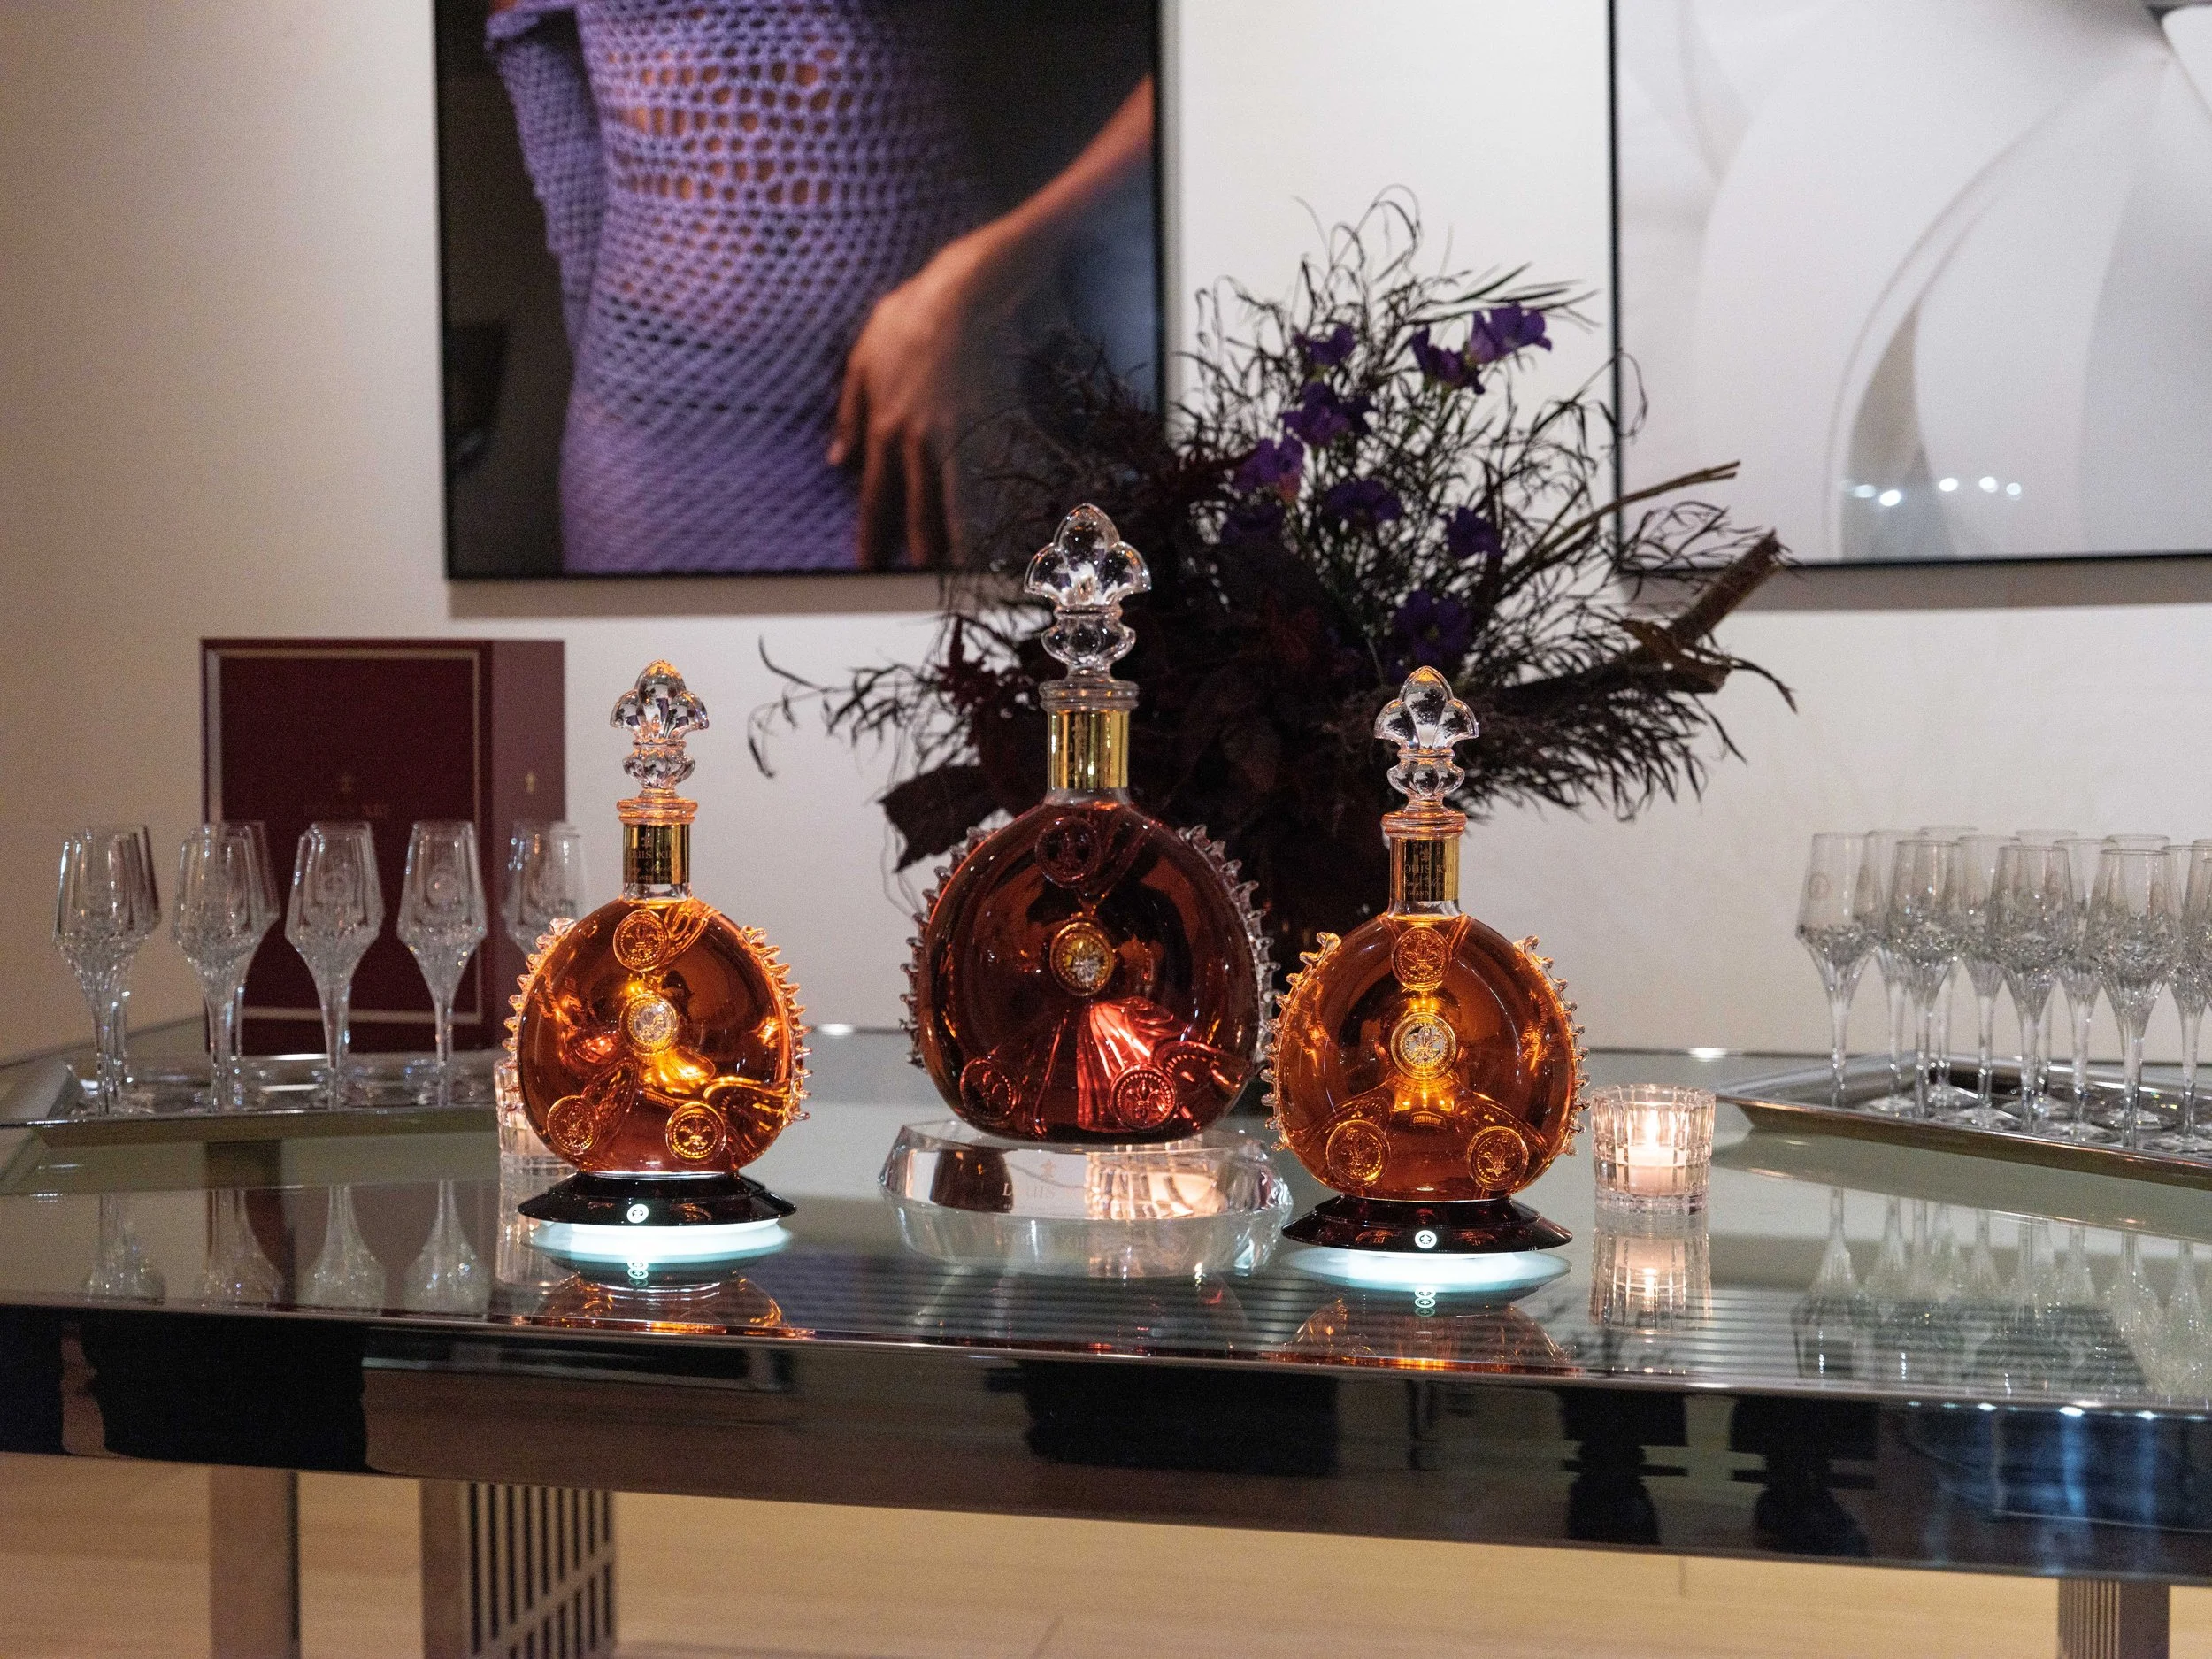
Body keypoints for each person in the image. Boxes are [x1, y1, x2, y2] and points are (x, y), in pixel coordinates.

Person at [489, 0, 1154, 573]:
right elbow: (528, 37)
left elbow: (1212, 44)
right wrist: (601, 334)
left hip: (916, 408)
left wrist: (982, 282)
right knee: (675, 714)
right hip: (650, 445)